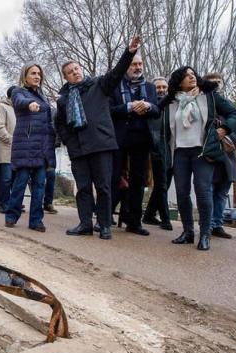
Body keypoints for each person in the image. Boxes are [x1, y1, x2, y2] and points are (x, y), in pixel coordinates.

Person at [55, 36, 141, 240]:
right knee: (83, 188)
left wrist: (128, 52)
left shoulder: (99, 85)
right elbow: (59, 123)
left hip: (101, 144)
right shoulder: (64, 99)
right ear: (65, 77)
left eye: (77, 69)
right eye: (70, 72)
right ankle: (85, 223)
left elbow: (118, 72)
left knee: (103, 187)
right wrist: (68, 140)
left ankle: (104, 226)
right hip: (78, 150)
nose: (75, 72)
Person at [160, 66, 236, 251]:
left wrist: (225, 128)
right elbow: (162, 123)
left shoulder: (209, 96)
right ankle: (188, 232)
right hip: (180, 152)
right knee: (181, 193)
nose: (191, 77)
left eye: (193, 74)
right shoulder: (172, 102)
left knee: (203, 192)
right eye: (186, 76)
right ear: (179, 81)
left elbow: (234, 114)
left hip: (202, 152)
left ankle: (205, 234)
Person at [109, 54, 161, 236]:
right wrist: (129, 107)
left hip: (142, 139)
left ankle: (134, 221)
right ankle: (106, 217)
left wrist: (147, 106)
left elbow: (157, 110)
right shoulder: (115, 87)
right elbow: (109, 111)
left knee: (139, 182)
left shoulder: (150, 88)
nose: (138, 67)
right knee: (113, 178)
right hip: (119, 138)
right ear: (126, 67)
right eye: (133, 64)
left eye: (140, 64)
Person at [5, 62, 56, 232]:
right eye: (33, 73)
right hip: (26, 146)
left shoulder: (43, 96)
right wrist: (29, 104)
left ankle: (36, 220)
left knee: (40, 184)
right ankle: (11, 216)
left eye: (39, 74)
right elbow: (19, 101)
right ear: (25, 76)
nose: (37, 76)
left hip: (42, 146)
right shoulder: (19, 92)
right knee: (20, 183)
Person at [204, 72, 236, 239]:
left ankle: (217, 224)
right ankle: (208, 224)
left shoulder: (229, 106)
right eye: (212, 82)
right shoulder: (204, 104)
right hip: (210, 155)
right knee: (209, 190)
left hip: (227, 155)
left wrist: (228, 136)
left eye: (218, 82)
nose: (216, 85)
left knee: (221, 193)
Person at [142, 77, 174, 230]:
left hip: (171, 151)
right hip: (155, 151)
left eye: (163, 87)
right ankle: (166, 219)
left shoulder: (172, 106)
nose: (161, 90)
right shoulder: (151, 107)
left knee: (164, 185)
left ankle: (149, 214)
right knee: (161, 184)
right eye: (158, 87)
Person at [0, 86, 17, 213]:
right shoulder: (1, 107)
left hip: (18, 150)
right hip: (7, 148)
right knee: (6, 178)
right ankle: (3, 203)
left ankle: (12, 203)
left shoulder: (18, 108)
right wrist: (11, 139)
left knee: (15, 178)